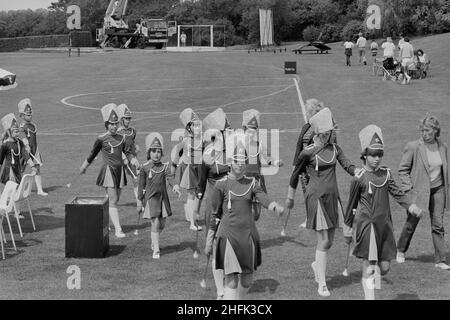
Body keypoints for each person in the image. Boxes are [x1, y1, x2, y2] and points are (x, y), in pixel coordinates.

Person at [344, 125, 424, 300]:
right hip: (367, 225)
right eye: (373, 154)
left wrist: (411, 206)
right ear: (364, 154)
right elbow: (351, 206)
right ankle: (369, 296)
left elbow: (397, 193)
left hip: (384, 226)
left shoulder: (386, 174)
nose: (376, 159)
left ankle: (371, 279)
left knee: (385, 267)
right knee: (369, 263)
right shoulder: (359, 177)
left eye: (379, 155)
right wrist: (347, 226)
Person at [286, 107, 357, 297]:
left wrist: (358, 171)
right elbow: (295, 176)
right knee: (324, 241)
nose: (330, 135)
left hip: (333, 198)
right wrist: (290, 198)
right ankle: (322, 284)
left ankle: (317, 265)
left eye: (331, 132)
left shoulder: (335, 148)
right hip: (315, 198)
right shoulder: (307, 153)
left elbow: (348, 165)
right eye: (327, 133)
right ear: (319, 132)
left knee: (329, 241)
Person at [204, 134, 284, 300]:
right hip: (228, 236)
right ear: (230, 162)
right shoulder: (221, 185)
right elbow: (215, 214)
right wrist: (209, 239)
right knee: (231, 281)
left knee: (247, 280)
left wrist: (273, 206)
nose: (239, 164)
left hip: (247, 236)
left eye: (242, 161)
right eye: (236, 161)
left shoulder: (252, 183)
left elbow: (262, 197)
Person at [396, 114, 450, 270]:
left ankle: (440, 260)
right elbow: (403, 170)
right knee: (411, 223)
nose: (424, 133)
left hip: (438, 190)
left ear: (435, 130)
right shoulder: (413, 146)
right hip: (419, 192)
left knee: (438, 224)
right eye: (422, 130)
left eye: (427, 130)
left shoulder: (443, 146)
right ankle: (400, 250)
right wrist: (408, 188)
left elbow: (444, 169)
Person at [79, 103, 132, 238]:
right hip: (108, 171)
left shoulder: (121, 138)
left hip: (119, 172)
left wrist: (132, 159)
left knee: (114, 200)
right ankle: (118, 229)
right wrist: (84, 166)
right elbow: (93, 154)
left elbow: (125, 152)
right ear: (106, 125)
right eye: (111, 124)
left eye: (115, 123)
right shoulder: (101, 139)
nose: (114, 126)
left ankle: (104, 222)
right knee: (113, 200)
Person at [196, 107, 231, 299]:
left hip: (233, 203)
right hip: (214, 203)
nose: (229, 131)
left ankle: (229, 280)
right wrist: (196, 209)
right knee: (217, 243)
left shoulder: (235, 151)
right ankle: (220, 288)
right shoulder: (207, 156)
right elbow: (201, 184)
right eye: (226, 129)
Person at [137, 133, 180, 259]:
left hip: (163, 199)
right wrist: (139, 200)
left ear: (161, 153)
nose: (156, 154)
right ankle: (156, 249)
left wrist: (175, 186)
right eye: (154, 151)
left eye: (158, 151)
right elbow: (141, 185)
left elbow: (170, 178)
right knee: (155, 222)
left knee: (162, 224)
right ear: (149, 153)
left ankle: (153, 239)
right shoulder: (144, 168)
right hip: (151, 199)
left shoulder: (165, 166)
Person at [292, 98, 328, 228]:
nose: (306, 114)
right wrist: (295, 163)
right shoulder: (306, 126)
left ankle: (323, 217)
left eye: (307, 111)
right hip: (303, 166)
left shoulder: (322, 128)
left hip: (316, 166)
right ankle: (310, 217)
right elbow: (299, 145)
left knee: (317, 192)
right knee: (306, 192)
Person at [242, 109, 283, 221]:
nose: (252, 134)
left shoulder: (259, 145)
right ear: (245, 130)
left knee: (256, 215)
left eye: (254, 132)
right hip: (242, 181)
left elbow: (267, 156)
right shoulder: (239, 144)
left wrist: (275, 162)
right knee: (245, 212)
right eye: (250, 131)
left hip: (257, 180)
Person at [173, 108, 204, 231]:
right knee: (192, 194)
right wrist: (174, 176)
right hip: (189, 169)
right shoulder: (185, 141)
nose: (197, 127)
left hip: (199, 170)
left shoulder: (202, 139)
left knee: (198, 194)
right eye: (194, 125)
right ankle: (193, 223)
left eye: (198, 125)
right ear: (188, 128)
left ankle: (189, 213)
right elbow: (176, 158)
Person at [17, 98, 47, 196]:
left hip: (34, 149)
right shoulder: (22, 126)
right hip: (24, 151)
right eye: (27, 114)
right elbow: (22, 136)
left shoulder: (33, 126)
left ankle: (39, 189)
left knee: (37, 168)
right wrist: (26, 145)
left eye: (30, 113)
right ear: (21, 115)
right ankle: (17, 188)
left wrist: (34, 149)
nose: (29, 115)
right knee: (20, 169)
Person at [1, 113, 37, 186]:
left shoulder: (19, 142)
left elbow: (26, 156)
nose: (17, 132)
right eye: (15, 131)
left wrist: (33, 166)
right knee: (11, 190)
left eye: (17, 131)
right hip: (9, 172)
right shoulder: (5, 145)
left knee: (16, 190)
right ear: (8, 132)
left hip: (17, 170)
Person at [117, 104, 141, 210]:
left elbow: (131, 143)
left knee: (136, 180)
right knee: (119, 184)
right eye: (126, 118)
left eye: (129, 118)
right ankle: (112, 202)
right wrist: (123, 158)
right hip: (119, 158)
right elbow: (117, 148)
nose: (128, 120)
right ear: (122, 119)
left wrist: (135, 148)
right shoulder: (117, 132)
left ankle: (139, 203)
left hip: (130, 156)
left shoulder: (133, 131)